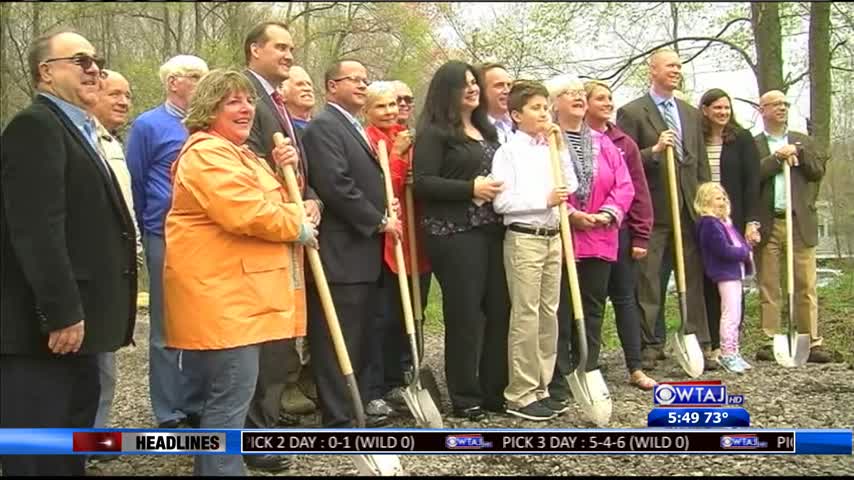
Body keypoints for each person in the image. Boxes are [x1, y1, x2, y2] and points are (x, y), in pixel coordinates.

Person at [163, 69, 314, 476]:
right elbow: (243, 210)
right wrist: (295, 224)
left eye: (249, 100)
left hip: (244, 300)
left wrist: (289, 174)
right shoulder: (205, 153)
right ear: (209, 108)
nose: (246, 108)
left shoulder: (242, 153)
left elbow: (279, 199)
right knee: (225, 403)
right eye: (233, 101)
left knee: (234, 399)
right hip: (224, 302)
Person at [0, 30, 137, 476]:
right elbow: (37, 228)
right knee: (35, 450)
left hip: (78, 333)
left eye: (95, 59)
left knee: (68, 443)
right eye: (80, 60)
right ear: (47, 72)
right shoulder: (35, 126)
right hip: (42, 333)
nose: (93, 67)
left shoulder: (79, 129)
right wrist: (60, 312)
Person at [302, 59, 403, 428]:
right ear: (331, 86)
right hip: (340, 253)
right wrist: (377, 220)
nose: (362, 85)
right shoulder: (323, 128)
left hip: (362, 255)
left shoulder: (355, 127)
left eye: (365, 79)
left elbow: (361, 181)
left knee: (360, 334)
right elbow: (335, 185)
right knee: (337, 339)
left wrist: (383, 204)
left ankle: (355, 407)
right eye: (353, 80)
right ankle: (339, 416)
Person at [413, 60, 510, 420]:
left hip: (492, 231)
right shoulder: (435, 132)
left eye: (474, 82)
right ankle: (465, 395)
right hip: (453, 233)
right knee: (466, 314)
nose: (472, 88)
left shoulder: (487, 130)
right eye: (463, 84)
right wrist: (471, 188)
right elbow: (422, 182)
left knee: (499, 310)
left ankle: (493, 391)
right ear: (446, 91)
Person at [241, 22, 318, 470]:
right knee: (265, 339)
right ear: (255, 50)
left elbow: (295, 166)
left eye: (292, 48)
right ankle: (255, 434)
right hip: (267, 232)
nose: (289, 55)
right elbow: (249, 161)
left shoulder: (274, 97)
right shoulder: (247, 96)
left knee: (280, 337)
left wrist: (311, 202)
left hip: (291, 224)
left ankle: (266, 422)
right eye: (280, 47)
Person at [126, 54, 208, 429]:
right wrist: (146, 231)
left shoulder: (205, 127)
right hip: (163, 233)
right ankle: (167, 411)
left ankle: (194, 402)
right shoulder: (148, 125)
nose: (201, 82)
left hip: (204, 238)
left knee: (198, 321)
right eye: (194, 77)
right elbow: (136, 182)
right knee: (164, 328)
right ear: (173, 82)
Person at [616, 48, 712, 370]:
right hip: (654, 209)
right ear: (652, 70)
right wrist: (654, 151)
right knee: (649, 279)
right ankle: (650, 344)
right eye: (670, 65)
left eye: (679, 66)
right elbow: (623, 163)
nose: (676, 70)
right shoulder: (632, 112)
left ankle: (696, 341)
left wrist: (706, 201)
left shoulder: (689, 113)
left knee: (692, 277)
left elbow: (699, 165)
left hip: (688, 209)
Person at [491, 81, 578, 421]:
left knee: (548, 312)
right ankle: (520, 392)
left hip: (553, 235)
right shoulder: (508, 151)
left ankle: (542, 386)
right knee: (526, 314)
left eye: (546, 107)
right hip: (524, 236)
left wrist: (560, 148)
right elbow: (501, 202)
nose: (544, 113)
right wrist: (542, 200)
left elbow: (569, 184)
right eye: (536, 108)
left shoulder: (549, 149)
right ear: (516, 115)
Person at [545, 74, 634, 399]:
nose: (579, 97)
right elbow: (546, 182)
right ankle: (560, 372)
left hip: (599, 234)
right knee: (563, 307)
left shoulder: (604, 143)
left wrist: (607, 214)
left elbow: (624, 185)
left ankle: (588, 365)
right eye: (569, 93)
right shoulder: (547, 142)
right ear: (555, 103)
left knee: (593, 306)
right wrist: (570, 214)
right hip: (563, 236)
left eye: (581, 92)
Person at [361, 81, 432, 416]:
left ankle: (403, 377)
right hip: (385, 243)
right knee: (384, 318)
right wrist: (398, 155)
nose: (392, 110)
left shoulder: (408, 137)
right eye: (383, 106)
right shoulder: (372, 140)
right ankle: (378, 384)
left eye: (398, 103)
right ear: (368, 110)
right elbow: (386, 185)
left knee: (410, 315)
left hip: (414, 240)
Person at [583, 80, 657, 390]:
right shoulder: (569, 139)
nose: (607, 103)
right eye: (600, 98)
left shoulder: (623, 143)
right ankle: (588, 366)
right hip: (585, 234)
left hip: (620, 231)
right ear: (584, 103)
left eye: (610, 98)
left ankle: (635, 366)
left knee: (626, 298)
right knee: (592, 303)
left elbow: (637, 190)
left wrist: (641, 235)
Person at [753, 90, 830, 363]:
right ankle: (771, 339)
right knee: (769, 283)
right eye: (775, 104)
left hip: (799, 222)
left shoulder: (803, 140)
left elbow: (817, 171)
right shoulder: (755, 144)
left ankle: (811, 340)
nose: (782, 108)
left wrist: (797, 151)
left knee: (805, 283)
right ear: (762, 110)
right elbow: (751, 177)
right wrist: (776, 159)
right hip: (769, 221)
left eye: (785, 104)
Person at [89, 69, 143, 446]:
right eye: (114, 94)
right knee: (91, 364)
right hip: (93, 268)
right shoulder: (82, 142)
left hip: (118, 264)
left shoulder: (111, 142)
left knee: (105, 362)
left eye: (127, 95)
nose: (124, 102)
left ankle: (95, 435)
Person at [698, 88, 761, 363]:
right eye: (717, 108)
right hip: (705, 217)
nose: (723, 113)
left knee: (732, 282)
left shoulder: (742, 139)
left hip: (732, 218)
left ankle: (731, 344)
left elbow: (752, 182)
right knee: (709, 280)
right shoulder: (697, 138)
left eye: (726, 108)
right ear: (705, 110)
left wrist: (751, 222)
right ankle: (712, 343)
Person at [695, 183, 753, 373]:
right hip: (724, 272)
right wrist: (744, 252)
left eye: (724, 197)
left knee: (736, 314)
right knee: (730, 314)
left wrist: (744, 249)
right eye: (717, 198)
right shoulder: (709, 224)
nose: (723, 201)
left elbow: (739, 242)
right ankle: (727, 353)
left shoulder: (725, 223)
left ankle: (734, 351)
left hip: (734, 272)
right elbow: (723, 249)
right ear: (706, 201)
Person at [480, 63, 514, 144]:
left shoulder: (517, 125)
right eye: (499, 85)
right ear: (481, 90)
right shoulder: (473, 129)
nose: (507, 91)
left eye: (509, 85)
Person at [285, 65, 315, 133]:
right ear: (283, 93)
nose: (307, 88)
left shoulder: (324, 127)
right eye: (300, 84)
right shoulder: (282, 128)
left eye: (309, 84)